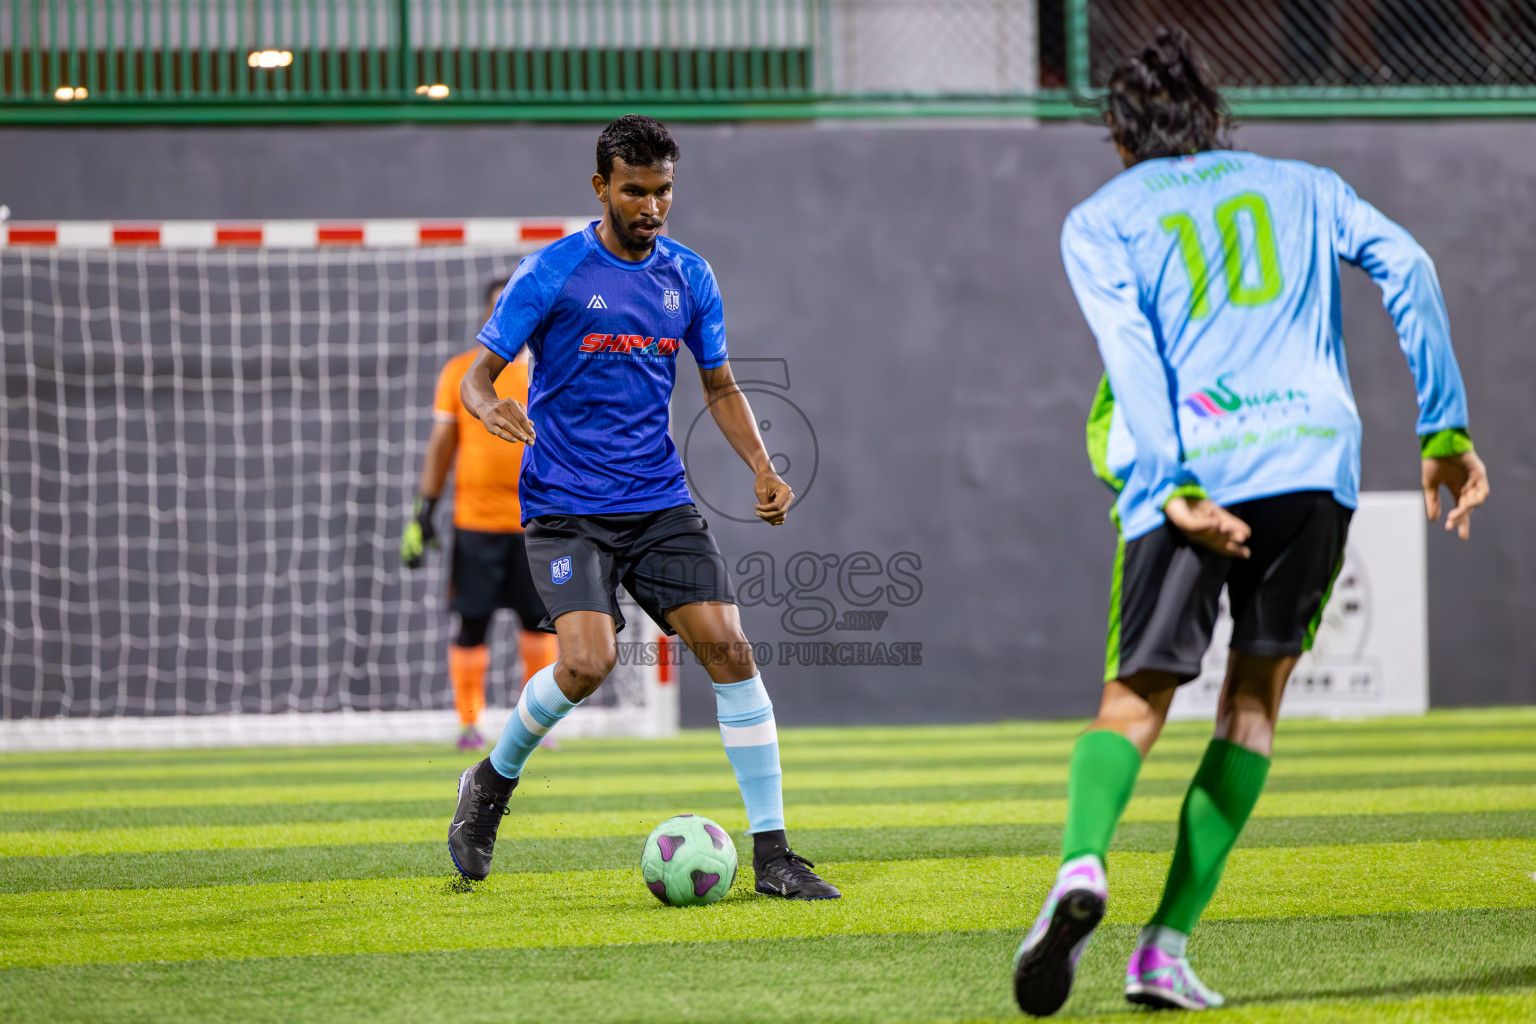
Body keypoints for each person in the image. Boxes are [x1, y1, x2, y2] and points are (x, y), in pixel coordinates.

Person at [1012, 29, 1489, 1016]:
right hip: (1315, 459)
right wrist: (1442, 427)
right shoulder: (1305, 184)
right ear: (1215, 115)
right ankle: (1164, 949)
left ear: (1119, 133)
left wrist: (1178, 478)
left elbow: (1130, 352)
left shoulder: (1101, 219)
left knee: (1135, 702)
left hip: (1197, 470)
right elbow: (1411, 266)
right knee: (1254, 705)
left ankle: (1081, 868)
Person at [445, 114, 840, 900]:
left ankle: (774, 856)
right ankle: (489, 783)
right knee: (587, 665)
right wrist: (487, 404)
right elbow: (475, 377)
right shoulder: (551, 273)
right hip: (565, 507)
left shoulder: (690, 277)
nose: (651, 206)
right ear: (601, 188)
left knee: (730, 651)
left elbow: (719, 387)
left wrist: (762, 469)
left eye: (662, 192)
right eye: (635, 191)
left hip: (657, 502)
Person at [402, 280, 560, 750]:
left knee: (539, 625)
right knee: (472, 622)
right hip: (474, 525)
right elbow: (441, 445)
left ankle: (536, 726)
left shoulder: (551, 373)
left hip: (539, 523)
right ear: (491, 317)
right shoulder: (460, 374)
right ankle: (469, 723)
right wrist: (423, 511)